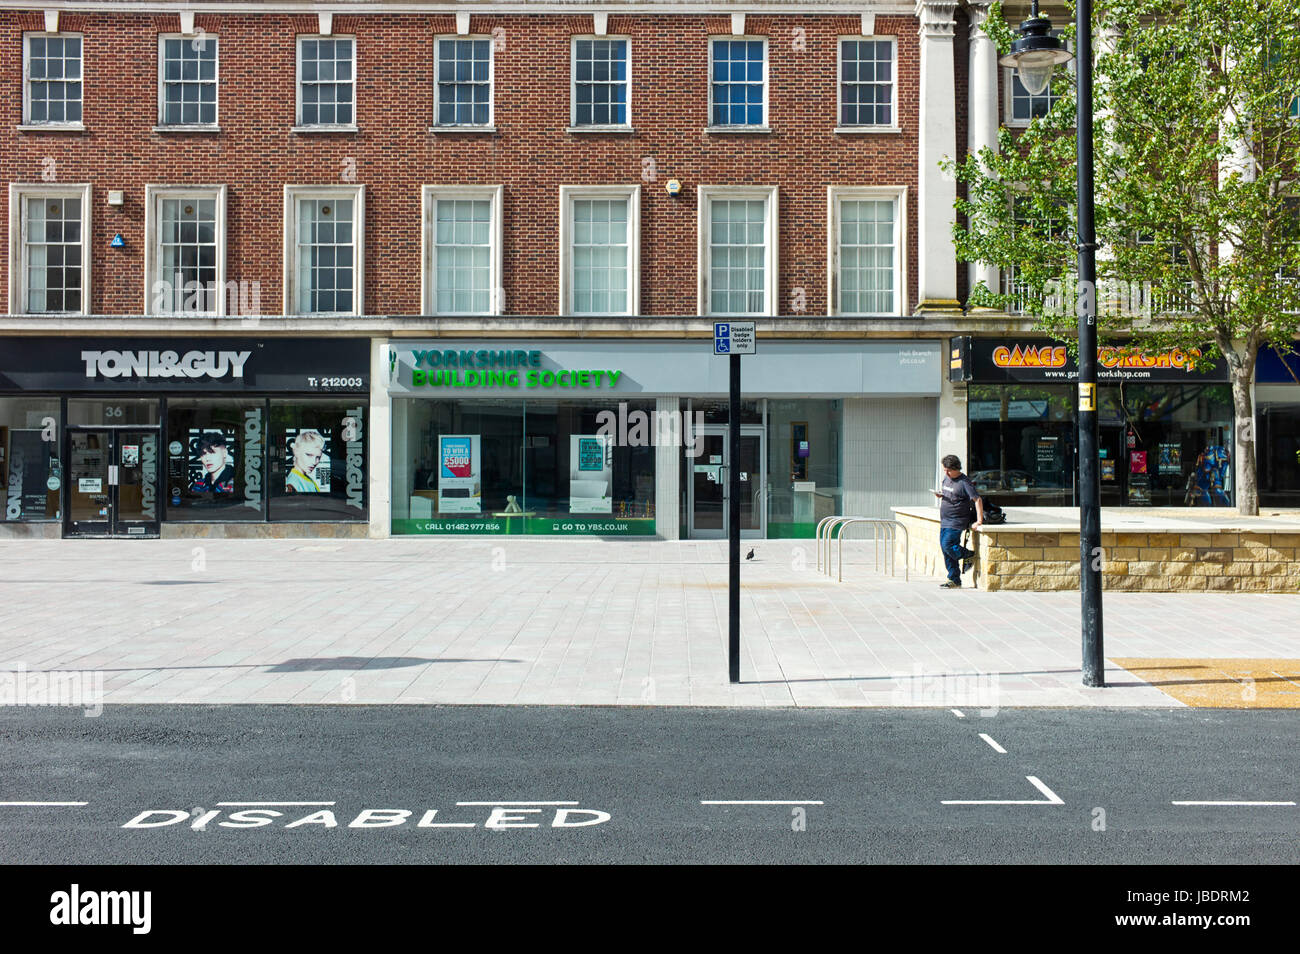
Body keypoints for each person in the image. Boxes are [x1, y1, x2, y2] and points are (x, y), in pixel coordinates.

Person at [933, 454, 984, 589]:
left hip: (957, 521)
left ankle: (967, 554)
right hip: (945, 520)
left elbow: (977, 500)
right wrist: (940, 495)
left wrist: (979, 520)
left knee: (948, 545)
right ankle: (954, 579)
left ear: (956, 468)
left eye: (948, 470)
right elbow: (951, 494)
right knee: (945, 549)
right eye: (945, 470)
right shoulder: (947, 479)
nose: (946, 473)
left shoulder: (964, 482)